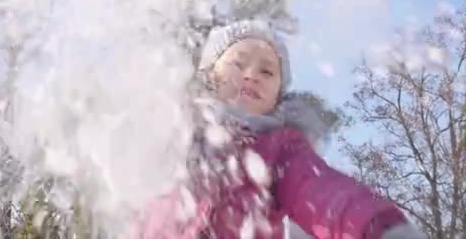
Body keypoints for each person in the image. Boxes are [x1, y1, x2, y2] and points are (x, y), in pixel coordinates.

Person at [131, 19, 426, 239]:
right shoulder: (176, 126)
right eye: (239, 63)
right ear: (210, 74)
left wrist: (378, 226)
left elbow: (322, 191)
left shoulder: (279, 150)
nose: (252, 75)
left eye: (267, 71)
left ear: (278, 95)